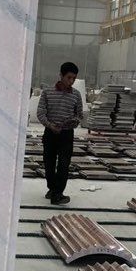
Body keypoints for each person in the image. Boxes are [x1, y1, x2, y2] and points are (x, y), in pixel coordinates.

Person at [37, 62, 83, 206]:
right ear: (61, 75)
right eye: (69, 77)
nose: (71, 81)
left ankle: (57, 194)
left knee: (64, 164)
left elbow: (79, 114)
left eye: (74, 78)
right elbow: (40, 113)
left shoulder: (76, 95)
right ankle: (52, 189)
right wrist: (50, 125)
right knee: (49, 163)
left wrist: (74, 122)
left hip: (66, 135)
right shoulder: (47, 93)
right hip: (50, 133)